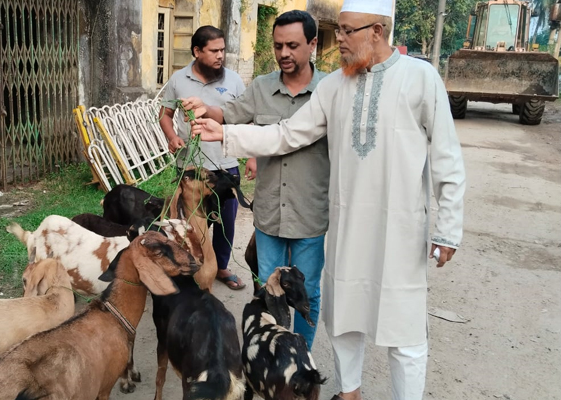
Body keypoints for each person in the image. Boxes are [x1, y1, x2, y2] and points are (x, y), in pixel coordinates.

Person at [190, 1, 466, 399]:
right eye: (340, 30)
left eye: (349, 31)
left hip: (400, 229)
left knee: (403, 330)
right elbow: (286, 134)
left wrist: (448, 228)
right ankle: (349, 392)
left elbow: (447, 158)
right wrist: (227, 135)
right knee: (345, 319)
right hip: (347, 226)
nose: (341, 40)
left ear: (378, 30)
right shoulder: (334, 86)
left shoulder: (421, 79)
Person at [180, 10, 329, 348]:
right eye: (278, 46)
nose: (284, 53)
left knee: (309, 293)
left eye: (292, 45)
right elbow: (229, 114)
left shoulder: (330, 91)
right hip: (269, 213)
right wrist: (203, 108)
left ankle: (300, 354)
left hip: (312, 214)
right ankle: (271, 353)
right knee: (268, 290)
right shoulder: (261, 87)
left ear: (312, 44)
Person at [158, 25, 247, 290]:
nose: (221, 56)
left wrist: (250, 156)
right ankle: (192, 266)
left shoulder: (234, 81)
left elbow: (244, 118)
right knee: (190, 223)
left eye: (223, 50)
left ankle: (221, 267)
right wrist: (172, 137)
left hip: (225, 165)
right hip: (190, 167)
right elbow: (165, 116)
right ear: (197, 51)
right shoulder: (178, 80)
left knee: (225, 222)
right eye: (214, 51)